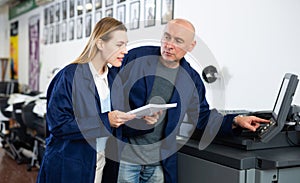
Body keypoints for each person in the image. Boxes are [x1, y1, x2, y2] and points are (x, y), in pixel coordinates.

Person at [106, 18, 270, 183]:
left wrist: (236, 120)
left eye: (178, 41)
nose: (169, 45)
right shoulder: (136, 57)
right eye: (167, 37)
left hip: (159, 163)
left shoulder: (191, 79)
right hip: (125, 158)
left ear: (190, 46)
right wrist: (131, 117)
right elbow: (108, 89)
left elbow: (202, 117)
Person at [36, 17, 159, 183]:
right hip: (71, 165)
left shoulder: (115, 78)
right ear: (100, 44)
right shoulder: (69, 76)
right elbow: (59, 125)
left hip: (102, 162)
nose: (125, 50)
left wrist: (144, 121)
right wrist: (106, 120)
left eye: (125, 44)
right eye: (119, 44)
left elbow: (118, 125)